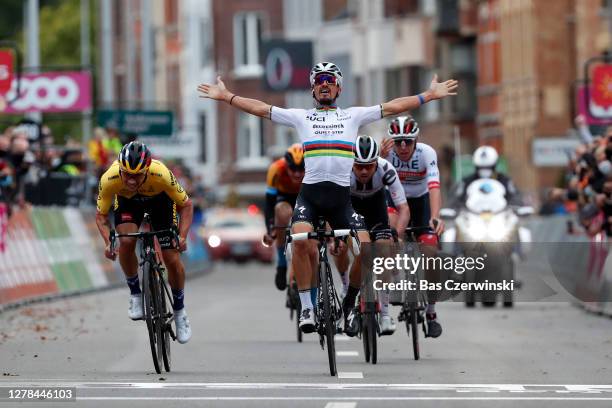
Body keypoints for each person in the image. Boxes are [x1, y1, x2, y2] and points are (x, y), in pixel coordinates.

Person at [198, 62, 458, 333]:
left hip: (341, 200)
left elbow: (392, 106)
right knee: (299, 240)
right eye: (319, 80)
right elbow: (261, 109)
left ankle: (348, 303)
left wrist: (428, 95)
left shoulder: (353, 116)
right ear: (312, 88)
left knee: (369, 253)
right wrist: (226, 96)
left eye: (330, 80)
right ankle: (307, 308)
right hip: (310, 197)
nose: (325, 84)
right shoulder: (302, 117)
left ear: (339, 87)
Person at [95, 141, 194, 344]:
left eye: (137, 175)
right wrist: (108, 242)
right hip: (127, 203)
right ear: (120, 169)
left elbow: (186, 205)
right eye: (127, 174)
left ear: (147, 169)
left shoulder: (161, 174)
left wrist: (182, 236)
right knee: (127, 242)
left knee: (171, 257)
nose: (131, 180)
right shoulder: (110, 178)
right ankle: (135, 294)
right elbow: (101, 216)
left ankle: (179, 312)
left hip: (160, 202)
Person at [334, 135, 410, 336]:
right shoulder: (342, 172)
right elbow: (333, 207)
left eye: (369, 166)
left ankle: (385, 314)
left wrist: (398, 234)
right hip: (350, 210)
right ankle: (348, 292)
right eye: (359, 166)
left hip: (377, 210)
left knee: (384, 251)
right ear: (352, 164)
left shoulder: (386, 170)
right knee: (355, 250)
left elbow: (403, 208)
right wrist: (336, 237)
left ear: (377, 161)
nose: (365, 171)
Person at [380, 116, 444, 338]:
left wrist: (435, 217)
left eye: (407, 141)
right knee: (389, 238)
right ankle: (395, 281)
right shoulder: (386, 153)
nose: (403, 146)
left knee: (431, 251)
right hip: (395, 202)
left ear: (416, 139)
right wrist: (379, 157)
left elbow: (434, 187)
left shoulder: (426, 153)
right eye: (398, 142)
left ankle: (431, 312)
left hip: (420, 202)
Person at [262, 143, 305, 290]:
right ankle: (281, 264)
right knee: (282, 213)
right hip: (284, 198)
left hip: (304, 197)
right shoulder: (276, 169)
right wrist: (270, 229)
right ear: (286, 165)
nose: (297, 174)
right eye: (293, 169)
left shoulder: (313, 169)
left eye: (301, 169)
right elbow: (269, 203)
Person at [452, 146, 521, 207]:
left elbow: (515, 198)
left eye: (488, 168)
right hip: (473, 217)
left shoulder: (504, 180)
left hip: (500, 216)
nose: (485, 171)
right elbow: (456, 200)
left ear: (494, 165)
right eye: (481, 168)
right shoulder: (467, 181)